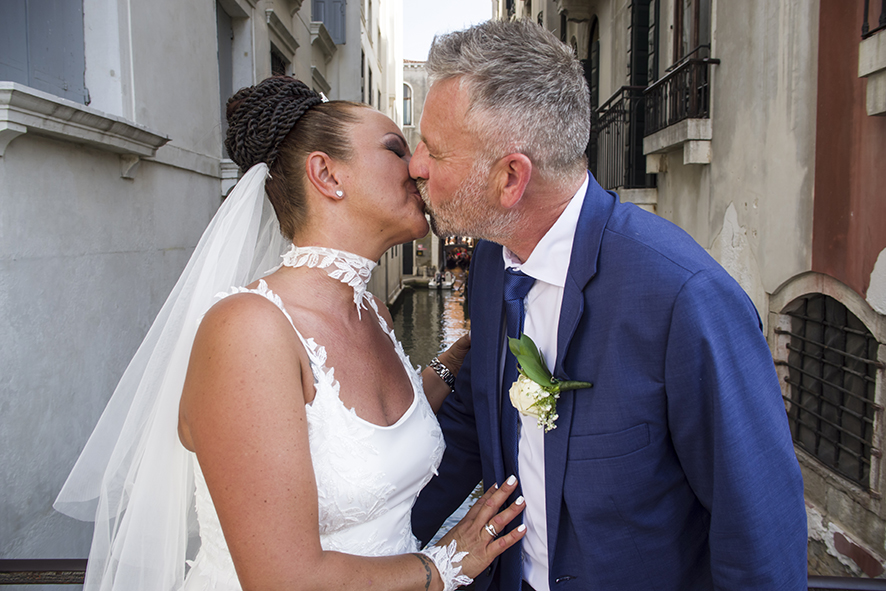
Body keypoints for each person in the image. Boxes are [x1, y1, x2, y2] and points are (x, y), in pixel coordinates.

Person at [54, 77, 526, 591]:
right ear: (326, 174)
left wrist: (454, 359)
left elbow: (363, 437)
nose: (417, 166)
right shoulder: (249, 331)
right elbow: (285, 578)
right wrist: (444, 565)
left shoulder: (372, 314)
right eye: (395, 150)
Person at [409, 20, 808, 591]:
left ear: (510, 179)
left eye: (435, 150)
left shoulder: (686, 299)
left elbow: (758, 531)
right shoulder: (494, 263)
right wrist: (382, 549)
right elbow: (478, 418)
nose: (416, 165)